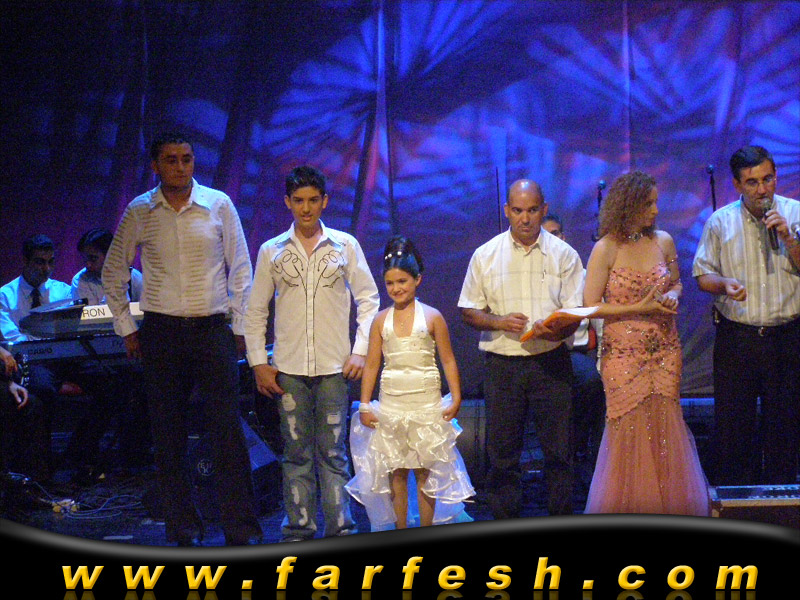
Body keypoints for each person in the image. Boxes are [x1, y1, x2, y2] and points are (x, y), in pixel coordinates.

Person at [102, 131, 263, 546]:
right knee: (168, 434)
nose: (180, 167)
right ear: (155, 165)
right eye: (171, 160)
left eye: (187, 159)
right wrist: (126, 327)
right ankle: (183, 529)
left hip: (212, 330)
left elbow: (241, 268)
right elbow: (113, 272)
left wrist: (240, 326)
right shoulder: (140, 210)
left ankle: (241, 530)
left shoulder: (218, 204)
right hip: (162, 333)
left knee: (227, 431)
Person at [244, 165, 380, 542]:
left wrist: (361, 351)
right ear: (288, 202)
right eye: (299, 200)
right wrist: (258, 362)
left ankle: (341, 529)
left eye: (313, 200)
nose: (306, 208)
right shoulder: (272, 250)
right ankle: (298, 531)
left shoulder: (344, 246)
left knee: (333, 453)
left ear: (325, 201)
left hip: (335, 367)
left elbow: (369, 299)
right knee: (295, 453)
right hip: (288, 370)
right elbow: (255, 310)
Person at [582, 170, 709, 516]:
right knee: (629, 430)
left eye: (656, 202)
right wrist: (640, 307)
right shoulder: (606, 248)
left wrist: (671, 295)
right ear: (628, 205)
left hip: (665, 350)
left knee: (666, 426)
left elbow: (677, 283)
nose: (655, 210)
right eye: (648, 203)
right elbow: (590, 304)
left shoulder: (663, 242)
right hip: (624, 356)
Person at [458, 179, 584, 518]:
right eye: (517, 210)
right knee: (503, 457)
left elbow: (577, 312)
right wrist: (499, 321)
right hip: (503, 365)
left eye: (532, 210)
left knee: (559, 453)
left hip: (551, 362)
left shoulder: (564, 254)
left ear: (544, 210)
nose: (525, 218)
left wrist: (555, 330)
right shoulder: (486, 254)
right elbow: (468, 310)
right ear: (506, 211)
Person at [345, 236, 475, 530]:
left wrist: (456, 397)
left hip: (425, 404)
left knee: (425, 471)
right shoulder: (381, 320)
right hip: (393, 404)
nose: (396, 288)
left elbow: (448, 360)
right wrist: (364, 404)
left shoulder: (432, 317)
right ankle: (401, 529)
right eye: (390, 283)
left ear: (417, 279)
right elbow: (372, 364)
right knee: (397, 472)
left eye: (402, 281)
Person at [693, 145, 800, 486]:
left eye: (768, 179)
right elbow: (702, 275)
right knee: (733, 429)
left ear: (776, 177)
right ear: (738, 185)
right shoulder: (720, 221)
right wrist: (724, 284)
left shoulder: (794, 214)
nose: (762, 189)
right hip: (737, 339)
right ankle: (737, 502)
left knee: (785, 428)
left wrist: (789, 238)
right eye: (752, 182)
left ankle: (783, 503)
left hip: (787, 337)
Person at [542, 214, 606, 472]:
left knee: (592, 380)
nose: (553, 239)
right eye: (547, 235)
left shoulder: (582, 274)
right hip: (540, 351)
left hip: (574, 353)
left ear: (564, 236)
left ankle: (588, 457)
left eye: (556, 233)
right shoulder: (533, 275)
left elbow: (599, 320)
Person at [71, 228, 143, 305]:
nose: (88, 264)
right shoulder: (80, 280)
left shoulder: (133, 277)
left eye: (93, 258)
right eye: (85, 259)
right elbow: (90, 312)